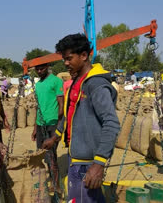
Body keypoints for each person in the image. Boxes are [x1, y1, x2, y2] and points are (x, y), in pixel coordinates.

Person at [42, 33, 120, 202]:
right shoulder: (77, 82)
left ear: (84, 56)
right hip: (75, 158)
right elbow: (70, 114)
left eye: (69, 58)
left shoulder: (96, 85)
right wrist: (55, 136)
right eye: (64, 59)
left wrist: (98, 164)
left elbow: (111, 123)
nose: (66, 63)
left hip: (89, 162)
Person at [31, 62, 64, 195]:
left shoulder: (56, 81)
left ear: (47, 67)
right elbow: (38, 107)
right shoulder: (37, 84)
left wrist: (59, 125)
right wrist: (34, 128)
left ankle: (56, 185)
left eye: (42, 68)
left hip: (53, 122)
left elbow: (61, 104)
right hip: (40, 124)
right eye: (37, 68)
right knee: (41, 154)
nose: (39, 70)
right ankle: (46, 180)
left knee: (51, 155)